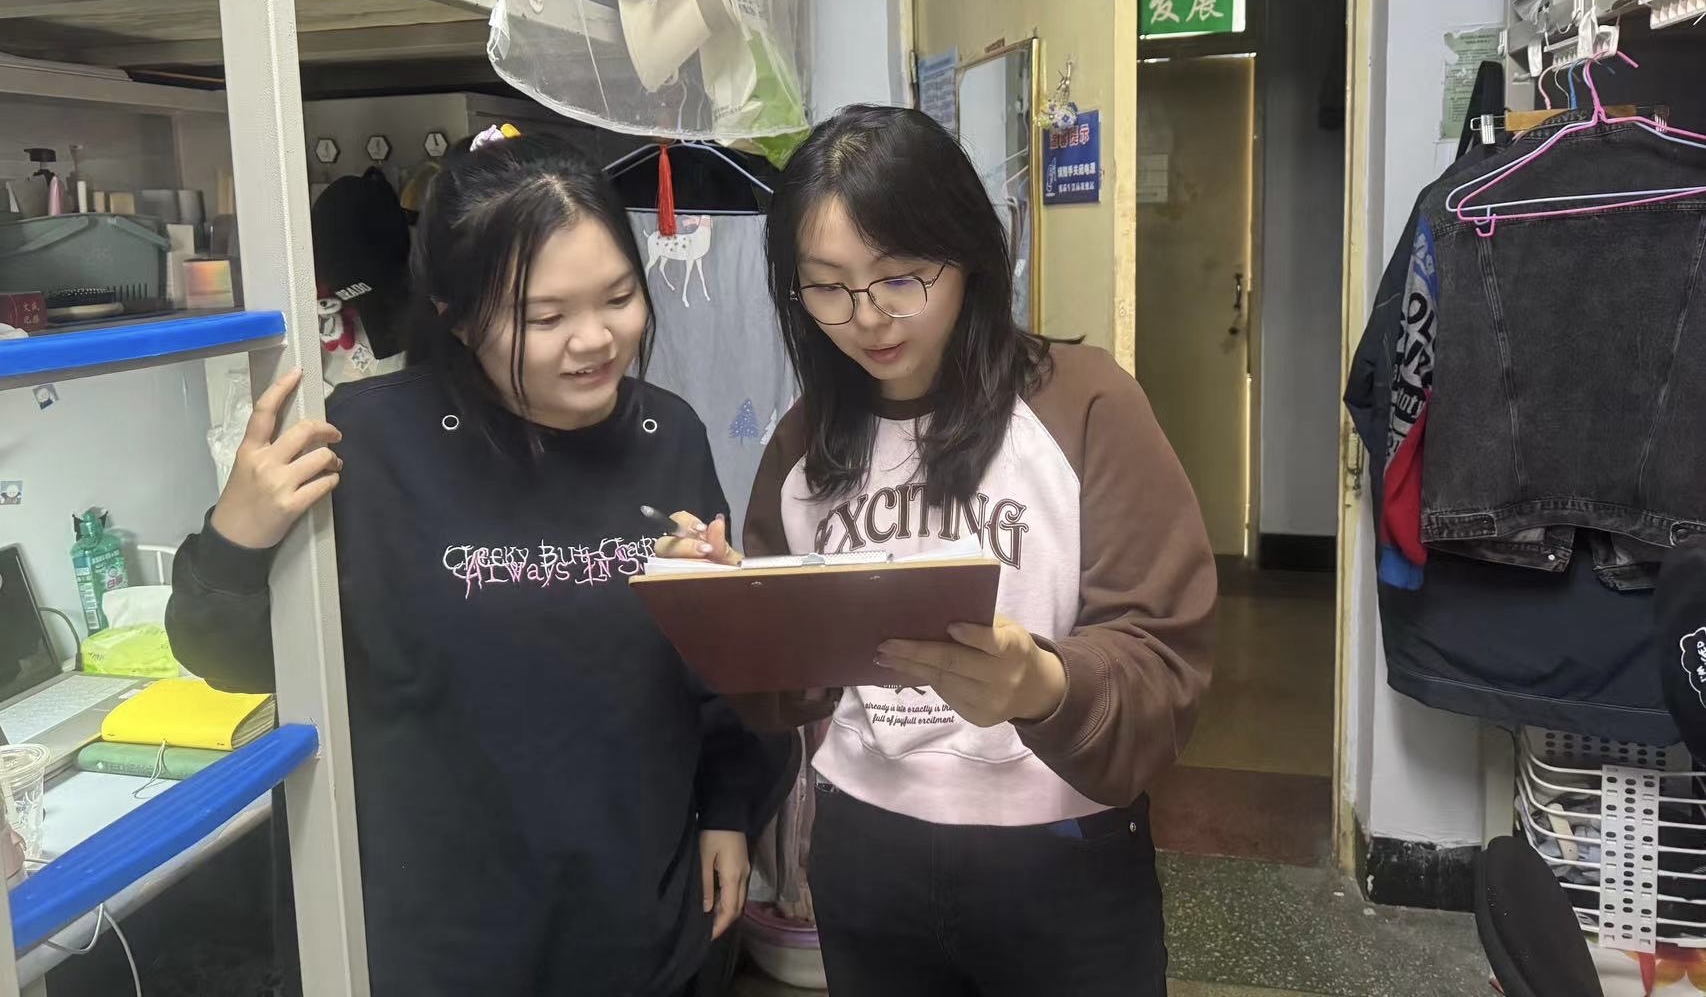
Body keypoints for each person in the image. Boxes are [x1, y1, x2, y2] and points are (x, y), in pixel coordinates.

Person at [166, 130, 789, 996]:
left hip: (635, 917)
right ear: (456, 315)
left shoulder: (666, 434)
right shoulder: (367, 442)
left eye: (618, 297)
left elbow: (712, 672)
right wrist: (237, 533)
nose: (595, 340)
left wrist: (728, 805)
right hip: (440, 939)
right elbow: (229, 657)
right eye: (545, 317)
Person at [731, 104, 1217, 996]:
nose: (868, 318)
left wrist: (1043, 686)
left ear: (969, 255)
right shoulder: (804, 443)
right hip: (866, 851)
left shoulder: (1084, 406)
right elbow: (780, 689)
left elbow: (1161, 657)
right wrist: (730, 603)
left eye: (900, 277)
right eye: (829, 288)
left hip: (1061, 856)